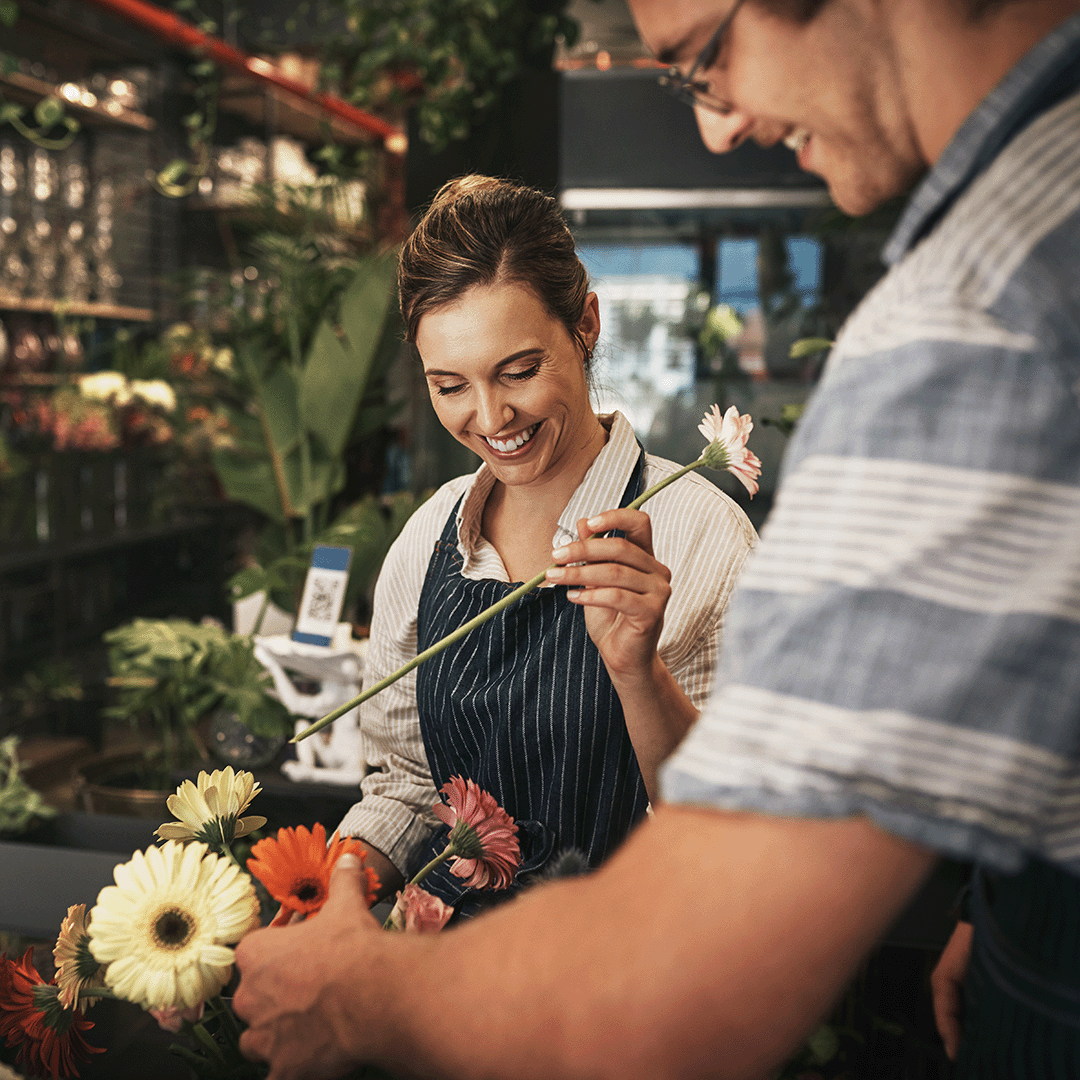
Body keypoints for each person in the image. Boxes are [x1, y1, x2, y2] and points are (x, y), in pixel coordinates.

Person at [233, 2, 1080, 1077]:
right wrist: (1006, 903)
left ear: (585, 326)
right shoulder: (1034, 245)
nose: (718, 128)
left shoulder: (980, 320)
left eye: (702, 57)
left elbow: (712, 945)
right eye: (451, 385)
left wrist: (363, 997)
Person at [333, 175, 756, 916]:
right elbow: (406, 786)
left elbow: (733, 819)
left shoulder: (701, 534)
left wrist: (636, 672)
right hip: (446, 957)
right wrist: (329, 890)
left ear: (585, 324)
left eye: (519, 372)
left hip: (622, 957)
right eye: (449, 386)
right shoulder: (430, 537)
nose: (491, 417)